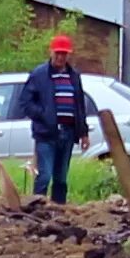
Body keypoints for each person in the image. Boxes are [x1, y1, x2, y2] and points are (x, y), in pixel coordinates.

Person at [19, 34, 99, 205]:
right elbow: (25, 101)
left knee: (61, 179)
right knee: (44, 176)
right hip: (46, 134)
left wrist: (83, 133)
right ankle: (37, 209)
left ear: (68, 55)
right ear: (51, 52)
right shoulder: (39, 74)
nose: (60, 57)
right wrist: (44, 114)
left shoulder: (74, 76)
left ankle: (59, 211)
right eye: (58, 53)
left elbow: (79, 106)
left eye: (64, 54)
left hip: (68, 133)